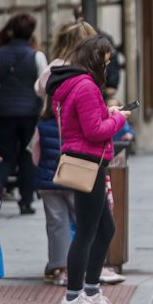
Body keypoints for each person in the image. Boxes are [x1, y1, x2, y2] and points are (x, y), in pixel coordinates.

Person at [46, 34, 130, 304]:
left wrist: (107, 111)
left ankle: (91, 291)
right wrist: (118, 118)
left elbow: (84, 119)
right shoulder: (85, 86)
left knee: (105, 229)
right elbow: (94, 130)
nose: (107, 69)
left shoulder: (77, 84)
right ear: (97, 60)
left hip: (87, 159)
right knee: (86, 231)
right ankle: (73, 297)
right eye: (106, 62)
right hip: (88, 161)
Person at [35, 21, 98, 287]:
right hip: (73, 147)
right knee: (83, 216)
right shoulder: (81, 73)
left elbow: (39, 89)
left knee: (56, 219)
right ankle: (83, 268)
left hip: (48, 139)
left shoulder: (51, 69)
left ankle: (59, 266)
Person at [0, 13, 48, 215]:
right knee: (27, 156)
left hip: (4, 112)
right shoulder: (36, 55)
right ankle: (26, 201)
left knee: (7, 157)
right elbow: (44, 85)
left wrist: (4, 97)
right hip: (29, 112)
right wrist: (36, 101)